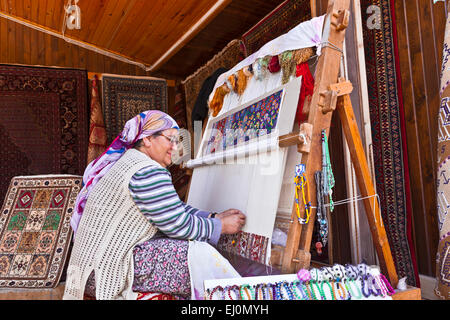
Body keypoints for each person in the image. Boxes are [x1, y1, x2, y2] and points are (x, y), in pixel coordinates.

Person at [63, 110, 246, 300]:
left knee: (192, 251)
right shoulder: (146, 170)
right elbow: (179, 225)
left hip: (89, 270)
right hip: (105, 273)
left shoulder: (129, 162)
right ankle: (245, 300)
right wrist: (221, 226)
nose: (176, 148)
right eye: (171, 140)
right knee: (200, 254)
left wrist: (212, 217)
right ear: (148, 139)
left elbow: (173, 208)